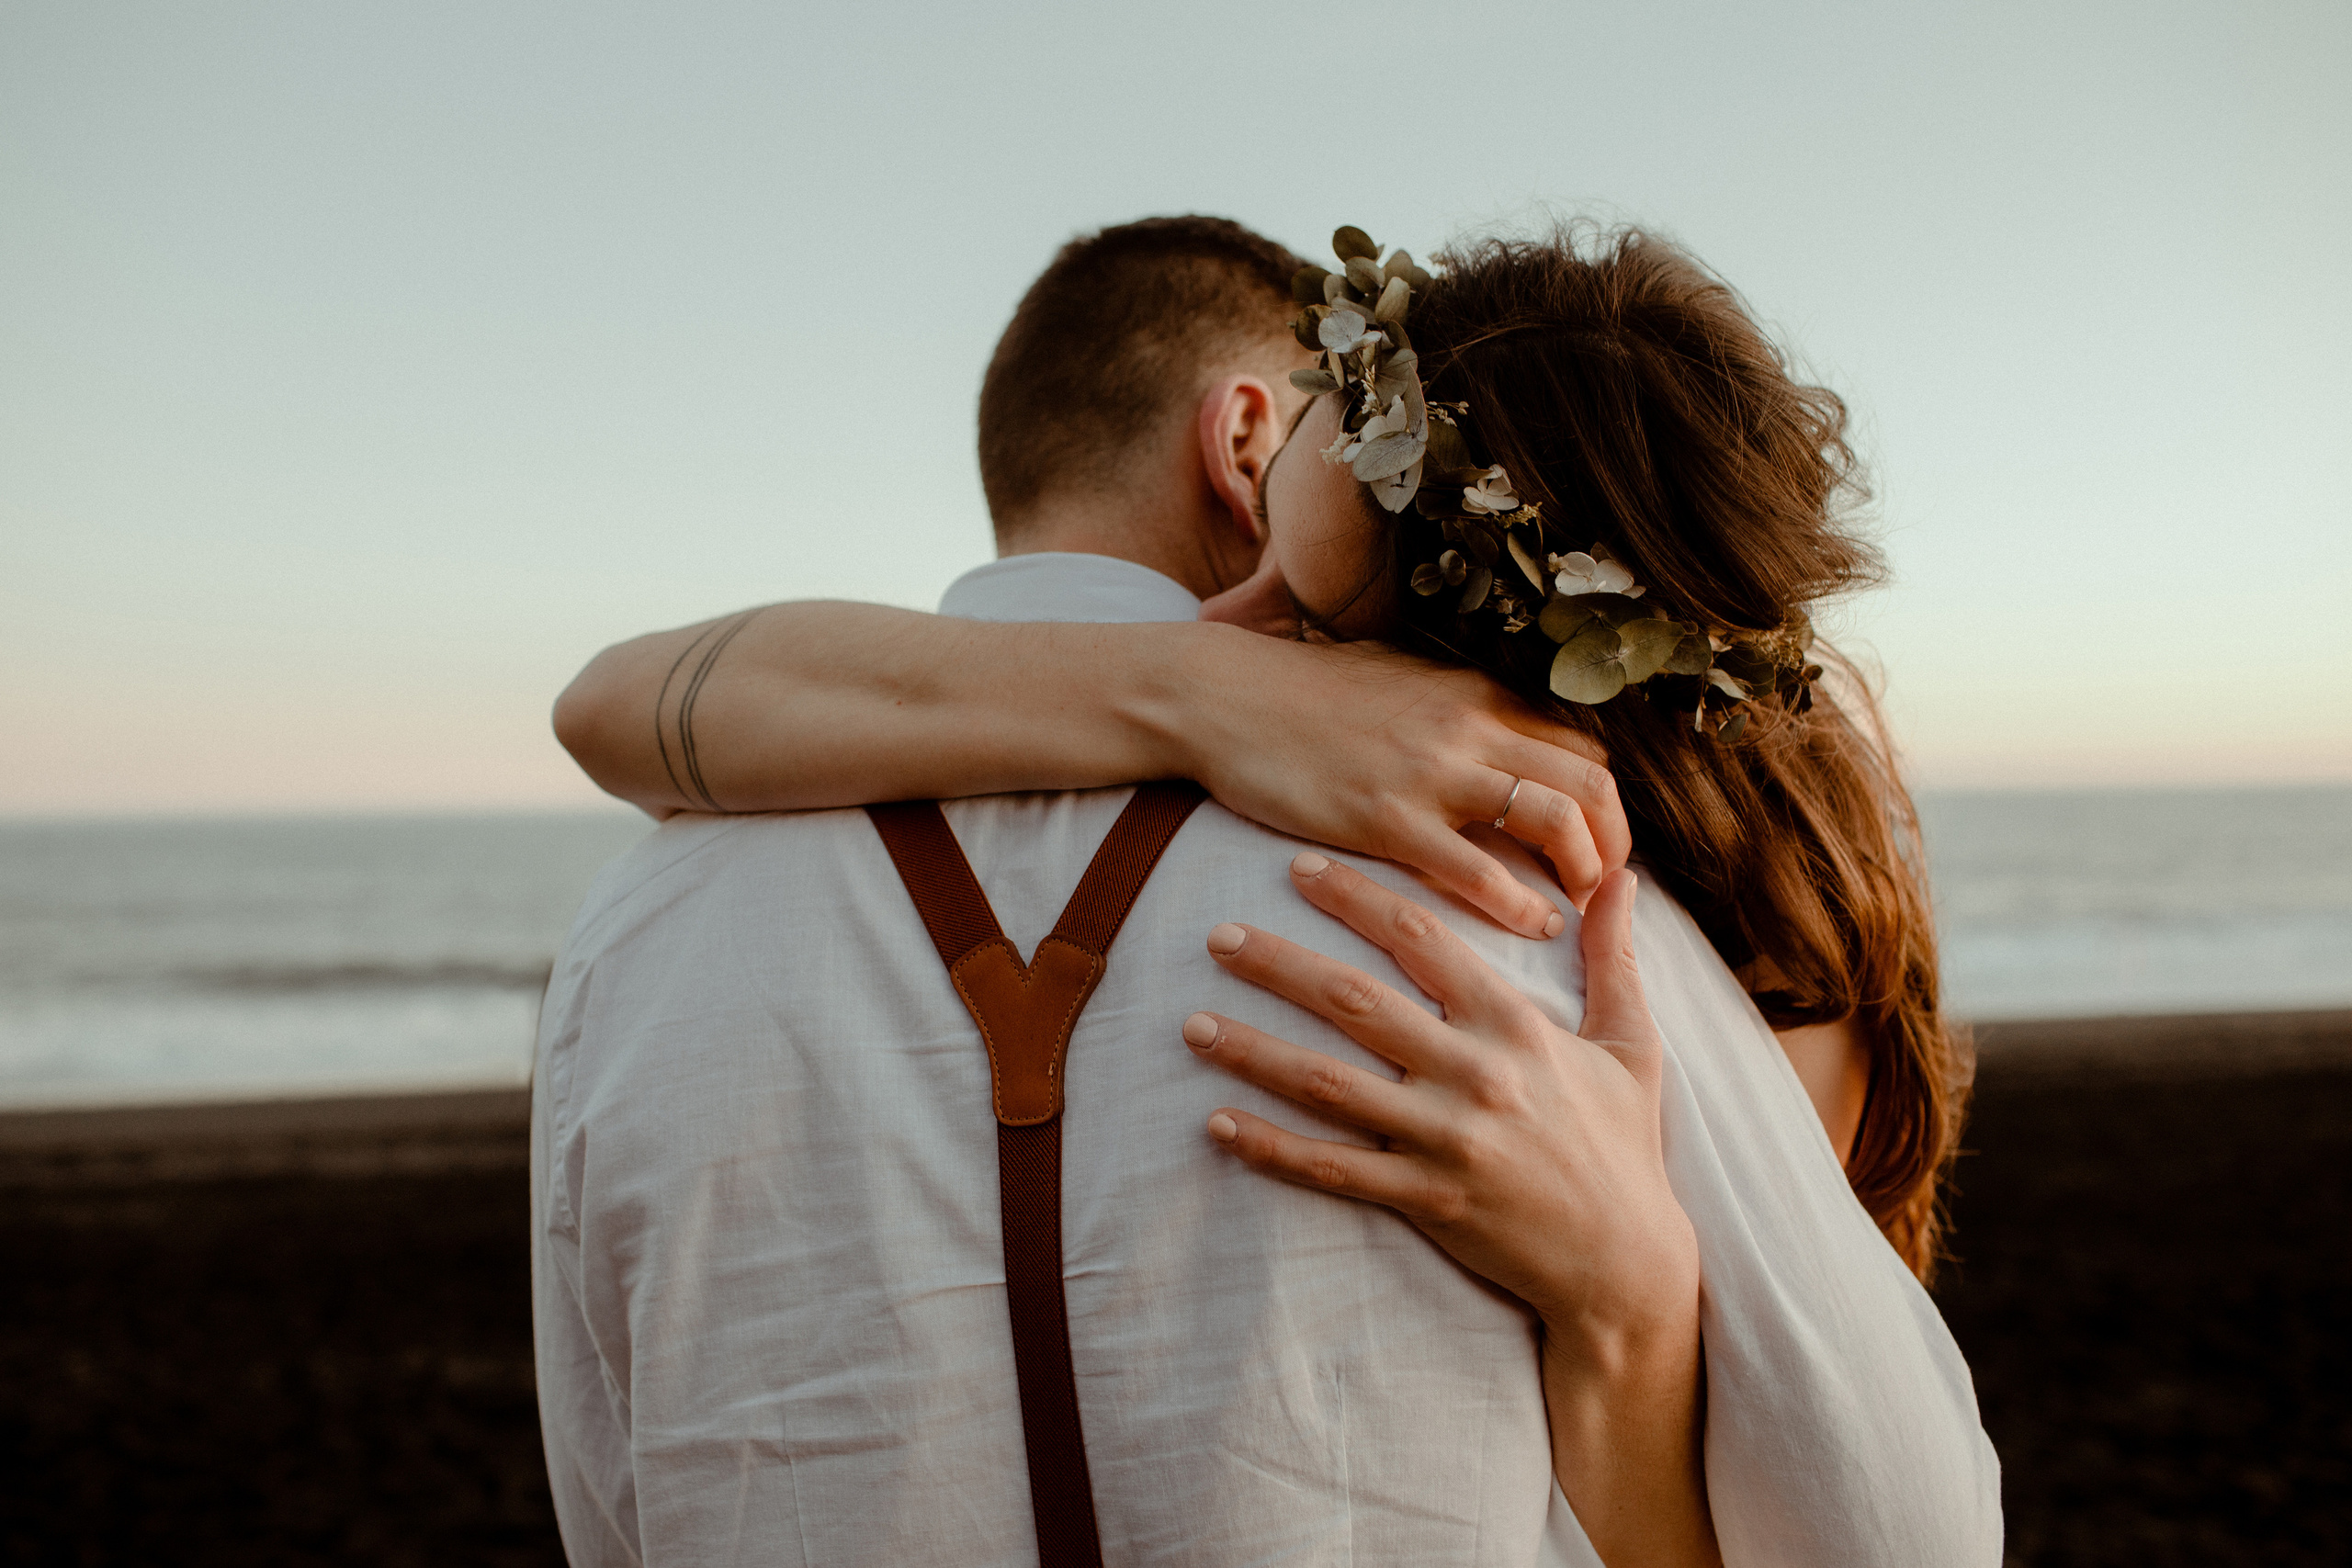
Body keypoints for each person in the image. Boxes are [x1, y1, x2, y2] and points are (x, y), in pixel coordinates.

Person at [539, 216, 2001, 1566]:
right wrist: (1632, 1327)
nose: (1229, 634)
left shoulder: (631, 934)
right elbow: (1903, 1535)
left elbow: (619, 1503)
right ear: (1243, 437)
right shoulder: (1543, 923)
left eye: (1296, 610)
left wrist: (1631, 1314)